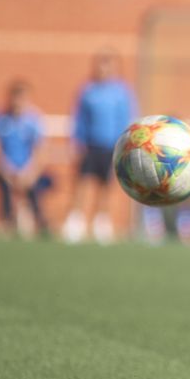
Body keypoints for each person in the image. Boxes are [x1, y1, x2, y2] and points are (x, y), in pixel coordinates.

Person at [62, 49, 137, 244]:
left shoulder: (122, 92)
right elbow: (79, 118)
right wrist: (75, 141)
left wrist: (126, 145)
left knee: (106, 185)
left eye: (109, 66)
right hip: (90, 144)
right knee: (82, 182)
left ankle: (101, 222)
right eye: (101, 66)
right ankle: (75, 221)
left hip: (112, 146)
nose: (104, 70)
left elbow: (127, 119)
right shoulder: (88, 91)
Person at [0, 80, 51, 237]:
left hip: (28, 170)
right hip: (6, 170)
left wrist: (30, 172)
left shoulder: (34, 120)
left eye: (23, 98)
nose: (19, 102)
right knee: (5, 188)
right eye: (16, 97)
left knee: (35, 186)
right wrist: (6, 170)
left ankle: (40, 221)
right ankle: (6, 221)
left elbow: (42, 150)